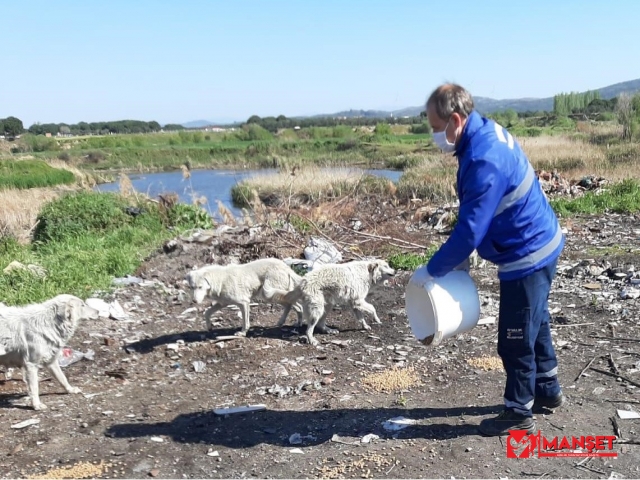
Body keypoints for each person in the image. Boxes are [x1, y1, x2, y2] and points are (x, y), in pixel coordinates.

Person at [409, 84, 565, 437]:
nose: (433, 135)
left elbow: (468, 232)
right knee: (535, 321)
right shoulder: (483, 133)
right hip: (539, 240)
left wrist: (432, 270)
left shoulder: (484, 159)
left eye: (436, 127)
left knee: (514, 337)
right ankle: (548, 390)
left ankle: (518, 411)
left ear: (456, 120)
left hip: (526, 252)